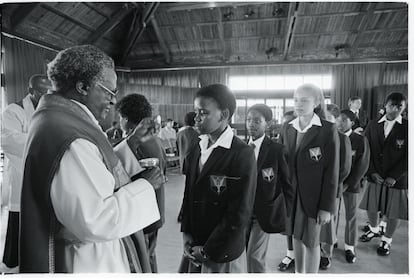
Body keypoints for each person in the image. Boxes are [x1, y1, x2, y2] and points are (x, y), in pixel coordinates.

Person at [20, 45, 163, 273]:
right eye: (109, 92)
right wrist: (146, 185)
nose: (113, 101)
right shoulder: (69, 136)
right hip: (87, 261)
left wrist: (131, 143)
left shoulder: (60, 118)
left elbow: (94, 167)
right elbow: (95, 220)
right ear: (83, 87)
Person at [180, 84, 257, 273]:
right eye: (195, 112)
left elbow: (239, 211)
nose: (196, 118)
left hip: (222, 250)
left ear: (223, 115)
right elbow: (189, 195)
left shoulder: (241, 153)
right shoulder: (197, 147)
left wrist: (208, 249)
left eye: (203, 113)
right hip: (195, 244)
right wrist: (187, 233)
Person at [279, 84, 339, 273]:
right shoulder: (287, 128)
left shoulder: (327, 130)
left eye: (304, 100)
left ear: (317, 102)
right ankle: (299, 272)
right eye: (296, 99)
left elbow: (332, 171)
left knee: (311, 241)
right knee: (295, 236)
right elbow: (281, 164)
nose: (298, 104)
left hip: (314, 198)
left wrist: (326, 207)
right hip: (291, 195)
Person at [1, 74, 52, 270]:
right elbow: (8, 140)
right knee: (22, 217)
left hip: (44, 170)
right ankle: (16, 261)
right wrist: (42, 140)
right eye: (42, 92)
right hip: (22, 172)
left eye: (49, 91)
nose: (47, 95)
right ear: (31, 91)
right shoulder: (14, 111)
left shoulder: (47, 110)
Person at [115, 93, 167, 273]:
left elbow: (122, 174)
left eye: (120, 118)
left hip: (143, 215)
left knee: (143, 259)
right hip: (155, 210)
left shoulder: (136, 143)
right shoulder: (155, 140)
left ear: (126, 119)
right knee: (149, 257)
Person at [245, 104, 293, 273]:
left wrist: (287, 214)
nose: (251, 124)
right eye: (249, 120)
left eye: (257, 121)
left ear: (268, 123)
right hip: (242, 211)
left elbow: (287, 184)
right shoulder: (239, 149)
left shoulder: (276, 150)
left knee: (254, 256)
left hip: (263, 212)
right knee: (243, 254)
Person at [359, 92, 408, 256]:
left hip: (398, 179)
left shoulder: (408, 126)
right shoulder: (373, 124)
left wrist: (395, 176)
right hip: (375, 176)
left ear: (404, 108)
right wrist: (371, 171)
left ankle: (386, 240)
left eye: (399, 106)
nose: (395, 109)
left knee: (394, 211)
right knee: (372, 207)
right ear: (385, 106)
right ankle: (374, 229)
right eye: (391, 105)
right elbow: (366, 150)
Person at [319, 104, 352, 270]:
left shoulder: (342, 138)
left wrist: (329, 182)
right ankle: (316, 248)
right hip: (313, 189)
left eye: (329, 119)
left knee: (329, 224)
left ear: (336, 120)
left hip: (332, 188)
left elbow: (344, 168)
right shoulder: (316, 136)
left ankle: (326, 254)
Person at [337, 109, 370, 263]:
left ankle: (350, 246)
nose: (340, 122)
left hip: (351, 185)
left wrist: (348, 184)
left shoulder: (359, 140)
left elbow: (362, 166)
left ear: (352, 122)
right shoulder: (333, 137)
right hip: (333, 184)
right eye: (338, 119)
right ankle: (329, 242)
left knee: (351, 216)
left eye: (344, 120)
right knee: (331, 215)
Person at [277, 110, 297, 272]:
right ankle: (290, 253)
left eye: (290, 122)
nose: (287, 125)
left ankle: (312, 252)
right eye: (285, 123)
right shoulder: (283, 134)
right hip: (288, 184)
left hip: (307, 186)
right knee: (288, 220)